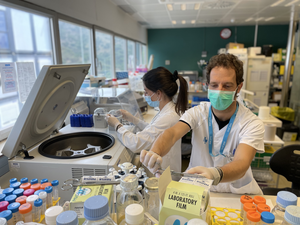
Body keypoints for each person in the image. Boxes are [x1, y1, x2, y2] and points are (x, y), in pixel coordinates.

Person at [140, 54, 265, 194]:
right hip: (196, 188)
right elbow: (172, 134)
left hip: (237, 192)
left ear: (239, 87)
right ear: (207, 86)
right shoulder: (197, 113)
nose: (219, 91)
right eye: (214, 85)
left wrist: (215, 174)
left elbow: (242, 163)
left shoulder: (251, 123)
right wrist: (155, 152)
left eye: (227, 86)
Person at [106, 67, 188, 172]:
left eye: (146, 92)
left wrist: (117, 125)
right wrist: (133, 119)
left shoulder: (168, 117)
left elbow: (136, 143)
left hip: (164, 173)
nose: (145, 96)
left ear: (159, 93)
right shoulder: (168, 110)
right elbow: (153, 130)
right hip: (163, 168)